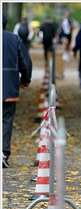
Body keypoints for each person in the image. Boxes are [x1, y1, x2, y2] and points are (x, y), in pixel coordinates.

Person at [2, 12, 33, 168]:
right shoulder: (14, 39)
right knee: (6, 119)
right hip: (8, 87)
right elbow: (25, 63)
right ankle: (3, 153)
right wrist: (25, 80)